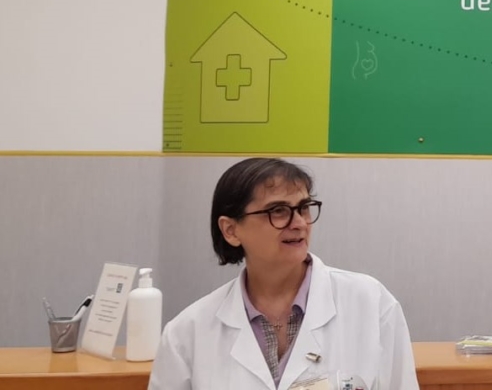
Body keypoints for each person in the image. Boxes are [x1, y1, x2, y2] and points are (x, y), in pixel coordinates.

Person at [148, 158, 420, 390]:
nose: (299, 223)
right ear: (231, 230)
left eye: (303, 208)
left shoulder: (371, 303)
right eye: (278, 211)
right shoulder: (187, 334)